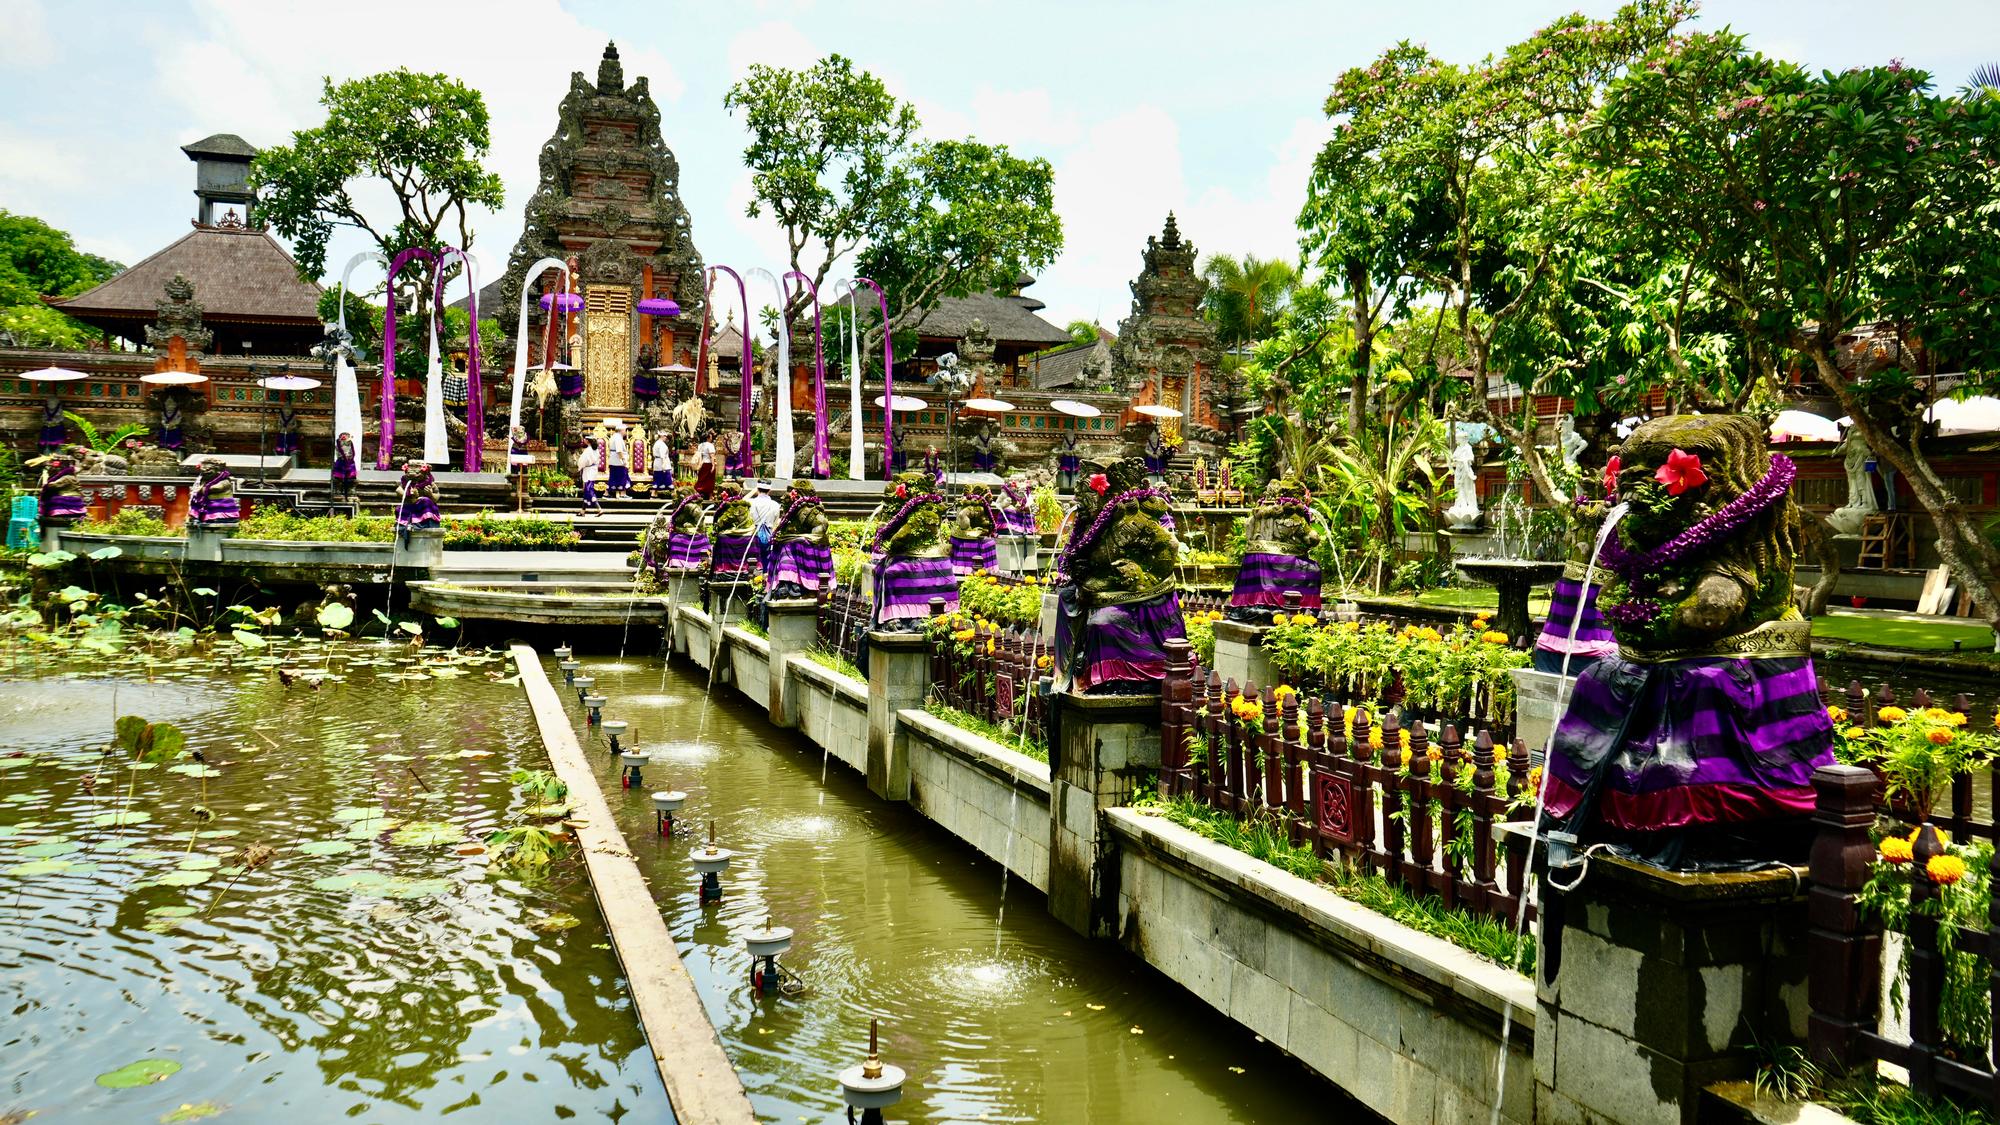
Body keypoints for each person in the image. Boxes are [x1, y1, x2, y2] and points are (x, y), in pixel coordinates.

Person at [748, 479, 782, 568]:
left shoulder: (750, 502)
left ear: (757, 489)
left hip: (753, 535)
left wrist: (753, 491)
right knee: (766, 560)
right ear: (769, 490)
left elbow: (738, 501)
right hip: (768, 535)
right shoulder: (775, 505)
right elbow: (775, 523)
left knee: (753, 561)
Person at [578, 437, 604, 516]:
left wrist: (580, 467)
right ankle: (583, 511)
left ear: (587, 441)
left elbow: (583, 461)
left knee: (589, 490)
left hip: (588, 471)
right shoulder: (595, 450)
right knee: (587, 490)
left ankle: (599, 508)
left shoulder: (588, 450)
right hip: (593, 469)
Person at [331, 432, 359, 501]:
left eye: (346, 437)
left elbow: (353, 451)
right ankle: (340, 494)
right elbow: (340, 451)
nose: (345, 438)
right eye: (343, 437)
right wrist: (345, 458)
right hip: (342, 461)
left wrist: (350, 458)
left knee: (350, 479)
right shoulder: (338, 444)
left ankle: (348, 495)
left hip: (349, 461)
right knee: (339, 479)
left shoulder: (350, 443)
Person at [605, 420, 630, 498]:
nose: (625, 432)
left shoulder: (614, 436)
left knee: (614, 477)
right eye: (625, 430)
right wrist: (624, 460)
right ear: (622, 430)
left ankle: (607, 493)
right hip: (618, 461)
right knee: (621, 476)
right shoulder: (618, 438)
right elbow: (619, 451)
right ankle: (622, 494)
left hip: (614, 460)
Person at [694, 430, 718, 497]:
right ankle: (710, 495)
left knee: (701, 479)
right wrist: (713, 465)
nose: (711, 438)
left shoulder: (700, 445)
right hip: (709, 464)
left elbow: (699, 455)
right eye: (710, 437)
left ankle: (699, 492)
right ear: (708, 438)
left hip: (702, 463)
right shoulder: (710, 445)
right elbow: (712, 456)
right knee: (710, 480)